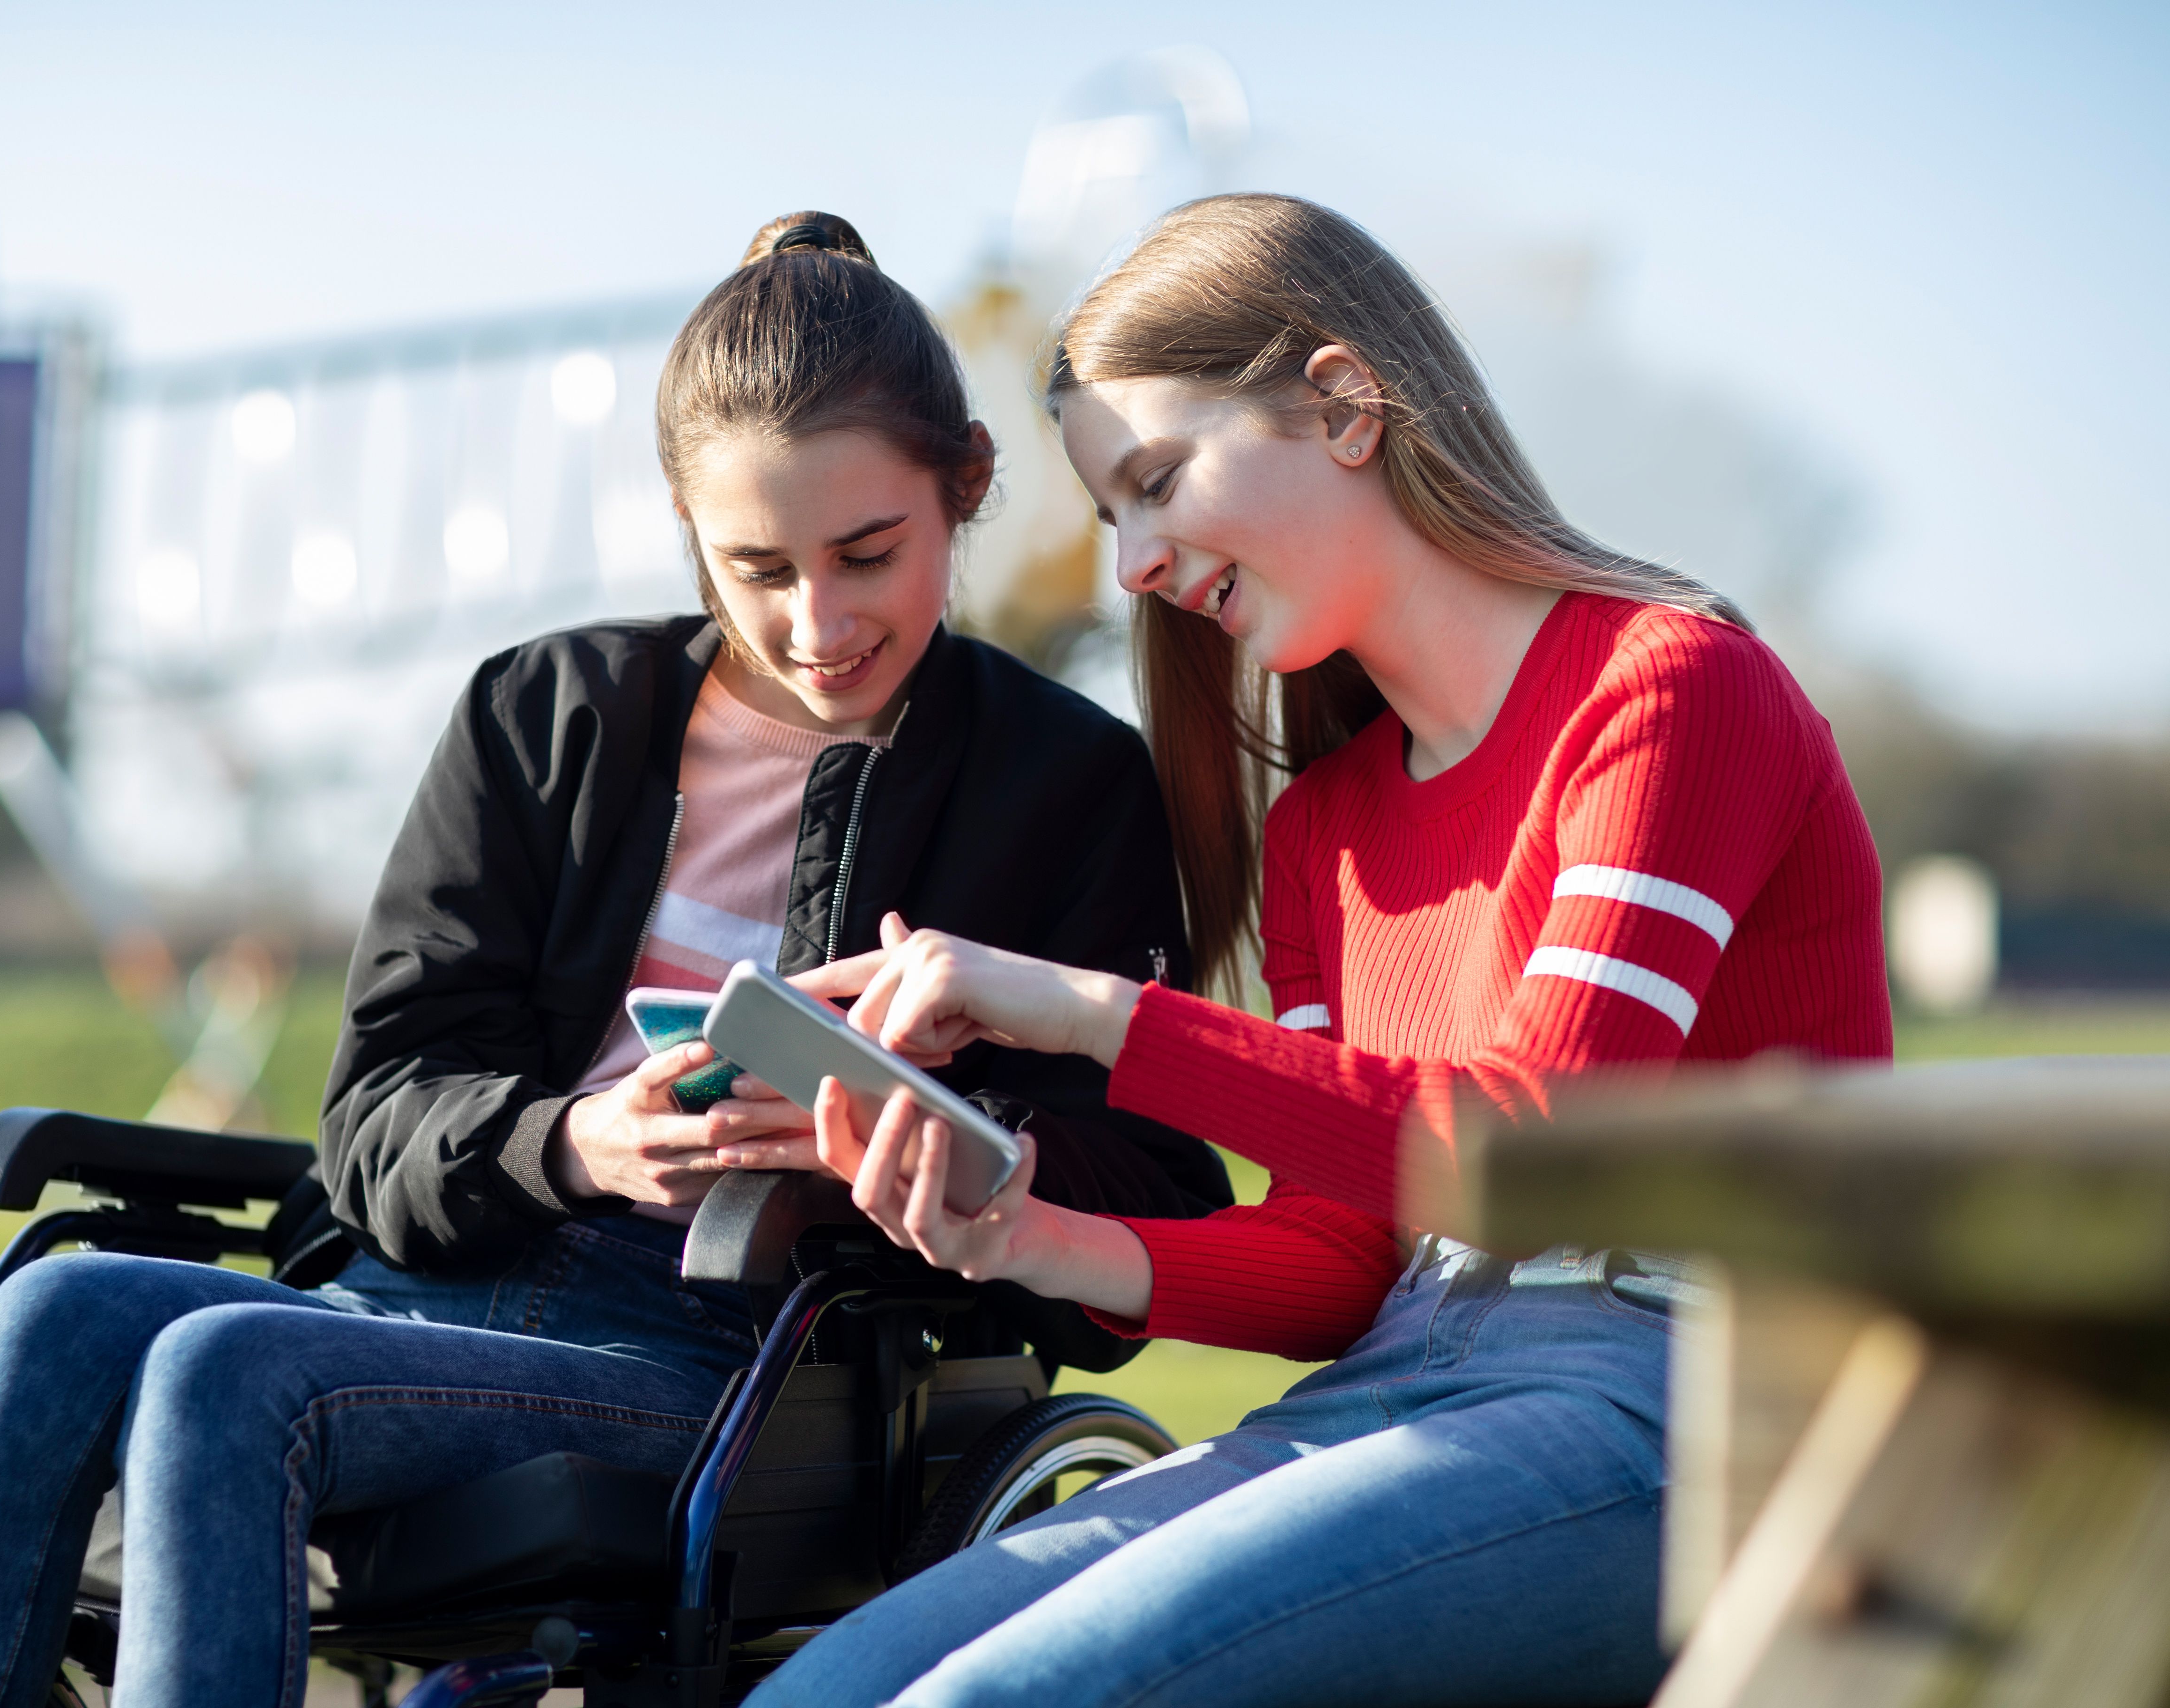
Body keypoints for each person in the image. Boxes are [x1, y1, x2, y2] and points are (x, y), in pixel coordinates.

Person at [0, 213, 1226, 1708]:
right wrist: (573, 1142)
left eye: (868, 556)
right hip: (411, 1290)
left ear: (964, 488)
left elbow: (1158, 1204)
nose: (816, 624)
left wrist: (900, 1150)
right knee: (58, 1304)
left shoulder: (1069, 787)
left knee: (218, 1370)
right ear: (685, 525)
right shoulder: (541, 715)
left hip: (738, 1358)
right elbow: (373, 1119)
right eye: (754, 566)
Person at [750, 193, 1892, 1708]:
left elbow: (1535, 1153)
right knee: (820, 1693)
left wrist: (1101, 1015)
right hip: (1408, 1379)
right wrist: (1025, 1236)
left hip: (1686, 1403)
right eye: (1115, 518)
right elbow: (1348, 1265)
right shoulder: (1326, 831)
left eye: (1158, 484)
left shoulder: (1669, 689)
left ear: (1347, 406)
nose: (1138, 565)